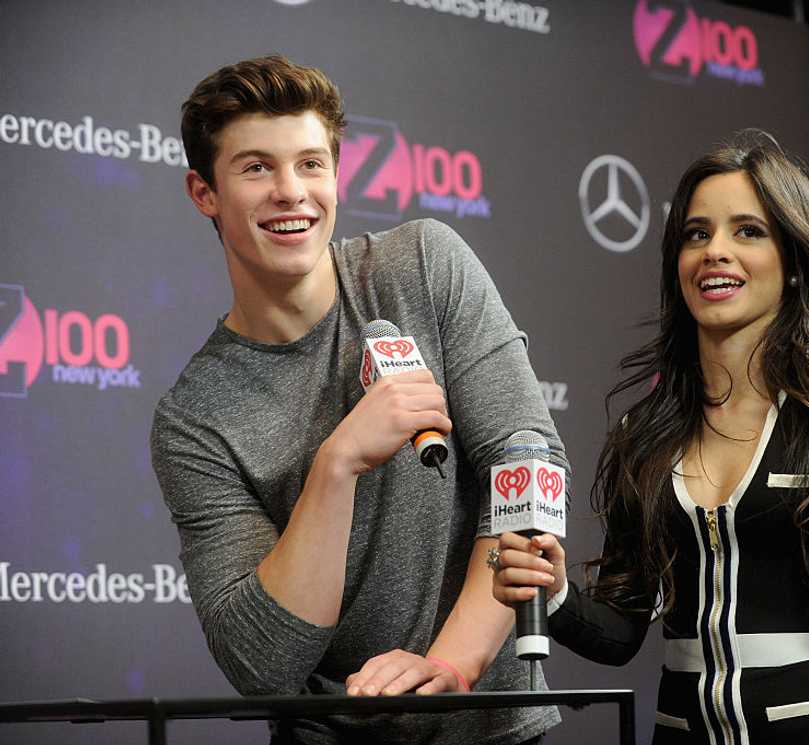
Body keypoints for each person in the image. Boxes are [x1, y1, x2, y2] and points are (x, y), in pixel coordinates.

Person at [150, 55, 564, 745]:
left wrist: (451, 666)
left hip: (494, 730)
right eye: (257, 168)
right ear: (204, 192)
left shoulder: (423, 265)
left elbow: (530, 463)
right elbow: (264, 660)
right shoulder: (195, 416)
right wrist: (336, 462)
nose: (292, 192)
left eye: (311, 164)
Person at [491, 131, 809, 744]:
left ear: (795, 263)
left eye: (747, 231)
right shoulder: (642, 435)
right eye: (696, 234)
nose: (715, 252)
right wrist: (556, 592)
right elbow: (621, 635)